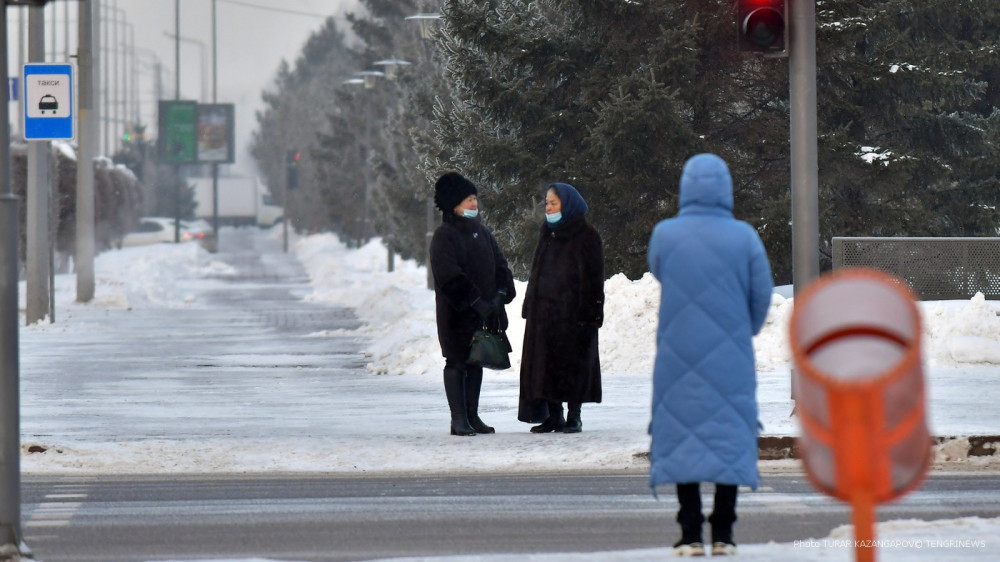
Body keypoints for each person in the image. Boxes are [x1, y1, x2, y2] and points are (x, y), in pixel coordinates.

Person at [646, 154, 773, 556]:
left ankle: (688, 534)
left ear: (686, 187)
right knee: (727, 436)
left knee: (684, 435)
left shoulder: (665, 234)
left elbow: (658, 269)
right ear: (726, 188)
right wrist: (744, 328)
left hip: (676, 354)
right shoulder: (745, 237)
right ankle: (723, 532)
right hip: (729, 357)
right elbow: (762, 293)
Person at [430, 172, 516, 437]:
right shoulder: (444, 236)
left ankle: (472, 415)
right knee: (456, 361)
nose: (474, 204)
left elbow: (501, 266)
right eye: (468, 199)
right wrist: (476, 302)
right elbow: (448, 276)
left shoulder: (483, 232)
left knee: (475, 361)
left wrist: (500, 296)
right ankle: (458, 419)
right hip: (456, 315)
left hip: (486, 311)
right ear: (453, 204)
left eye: (475, 199)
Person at [518, 182, 604, 434]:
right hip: (544, 314)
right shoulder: (547, 233)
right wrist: (531, 303)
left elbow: (593, 278)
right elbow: (537, 271)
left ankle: (574, 415)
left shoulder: (587, 235)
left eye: (553, 203)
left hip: (573, 314)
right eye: (547, 203)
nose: (548, 207)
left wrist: (591, 312)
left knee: (573, 364)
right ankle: (554, 415)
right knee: (547, 364)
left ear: (567, 205)